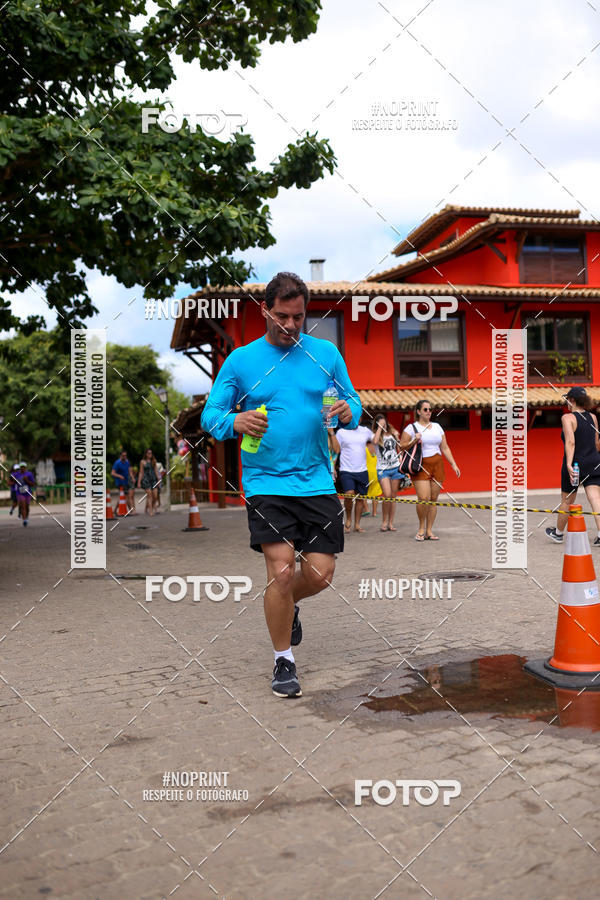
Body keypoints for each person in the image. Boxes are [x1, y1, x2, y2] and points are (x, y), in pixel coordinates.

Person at [201, 271, 361, 699]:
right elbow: (210, 416)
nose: (291, 325)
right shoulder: (240, 361)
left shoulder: (325, 354)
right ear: (265, 310)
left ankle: (286, 604)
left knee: (322, 574)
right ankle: (283, 662)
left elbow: (354, 401)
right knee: (282, 570)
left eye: (299, 317)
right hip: (265, 482)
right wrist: (234, 420)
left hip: (316, 480)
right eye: (283, 317)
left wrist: (349, 411)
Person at [399, 400, 460, 541]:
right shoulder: (411, 428)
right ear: (419, 411)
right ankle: (421, 528)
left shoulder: (437, 427)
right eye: (425, 409)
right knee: (423, 498)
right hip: (421, 465)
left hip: (437, 464)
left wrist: (453, 464)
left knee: (433, 500)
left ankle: (429, 531)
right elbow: (402, 446)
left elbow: (445, 447)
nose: (428, 412)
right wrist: (414, 440)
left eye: (430, 409)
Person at [546, 386, 600, 544]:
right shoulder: (593, 417)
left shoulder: (567, 418)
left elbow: (570, 441)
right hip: (593, 462)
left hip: (575, 464)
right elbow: (597, 444)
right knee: (595, 498)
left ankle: (558, 533)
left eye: (568, 399)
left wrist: (569, 464)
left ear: (572, 400)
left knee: (567, 500)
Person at [336, 416, 374, 533]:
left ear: (360, 419)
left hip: (362, 470)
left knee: (360, 499)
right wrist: (332, 466)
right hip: (346, 469)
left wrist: (380, 429)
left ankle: (357, 524)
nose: (356, 420)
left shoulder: (365, 431)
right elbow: (335, 450)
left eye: (358, 417)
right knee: (349, 494)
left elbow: (376, 440)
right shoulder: (341, 432)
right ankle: (348, 518)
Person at [372, 413, 404, 532]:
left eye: (384, 422)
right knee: (387, 495)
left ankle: (391, 523)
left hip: (395, 467)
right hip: (383, 469)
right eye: (380, 423)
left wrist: (397, 437)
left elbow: (399, 446)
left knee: (393, 497)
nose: (383, 424)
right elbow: (374, 442)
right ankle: (384, 521)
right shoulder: (375, 435)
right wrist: (380, 428)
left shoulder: (392, 433)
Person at [138, 449, 160, 516]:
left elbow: (156, 471)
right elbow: (141, 472)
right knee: (150, 495)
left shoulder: (154, 461)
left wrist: (158, 479)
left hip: (153, 480)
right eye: (148, 453)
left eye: (151, 453)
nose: (150, 454)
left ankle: (150, 507)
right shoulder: (142, 462)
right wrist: (139, 482)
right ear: (146, 454)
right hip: (146, 480)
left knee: (155, 496)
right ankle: (151, 511)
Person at [14, 462, 35, 527]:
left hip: (27, 492)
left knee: (27, 506)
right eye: (21, 467)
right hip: (20, 492)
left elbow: (33, 484)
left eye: (23, 467)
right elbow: (11, 480)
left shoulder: (29, 474)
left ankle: (26, 517)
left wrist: (27, 480)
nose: (22, 468)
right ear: (20, 468)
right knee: (23, 505)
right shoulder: (17, 474)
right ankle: (24, 520)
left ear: (25, 468)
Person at [365, 443, 382, 518]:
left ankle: (366, 509)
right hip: (376, 472)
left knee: (362, 492)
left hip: (366, 472)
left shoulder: (363, 448)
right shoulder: (377, 448)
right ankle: (374, 512)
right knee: (375, 494)